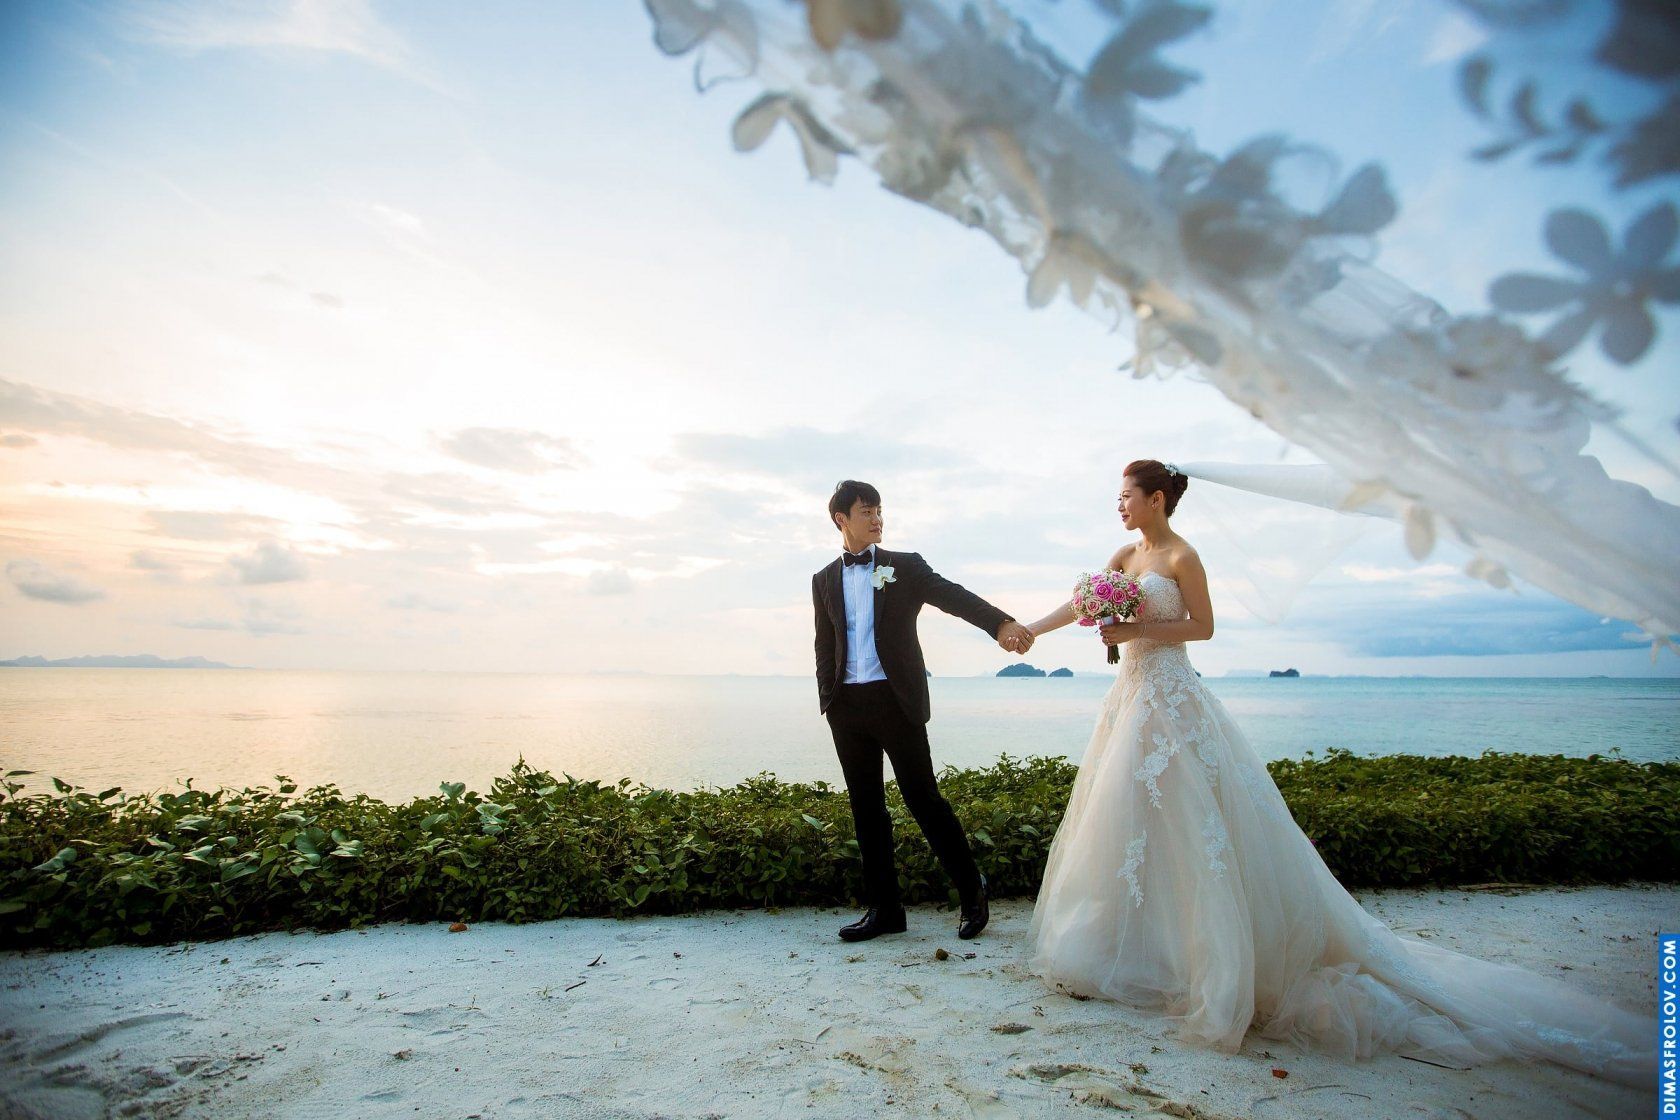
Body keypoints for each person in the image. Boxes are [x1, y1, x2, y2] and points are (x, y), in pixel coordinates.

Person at [1016, 459, 1653, 1086]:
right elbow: (1082, 603)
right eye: (1118, 498)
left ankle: (1208, 960)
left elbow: (1202, 627)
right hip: (1129, 699)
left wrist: (1135, 625)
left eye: (1126, 496)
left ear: (1156, 498)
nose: (1119, 505)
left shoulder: (1184, 557)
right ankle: (1135, 946)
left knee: (1190, 823)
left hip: (1171, 699)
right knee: (1127, 819)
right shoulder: (1123, 555)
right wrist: (1033, 630)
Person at [813, 480, 1035, 943]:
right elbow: (825, 643)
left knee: (923, 799)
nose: (877, 518)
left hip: (896, 701)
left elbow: (953, 596)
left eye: (879, 510)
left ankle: (973, 892)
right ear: (841, 519)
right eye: (866, 511)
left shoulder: (905, 566)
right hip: (847, 707)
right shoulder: (824, 579)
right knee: (866, 808)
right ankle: (886, 910)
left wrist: (999, 623)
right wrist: (828, 699)